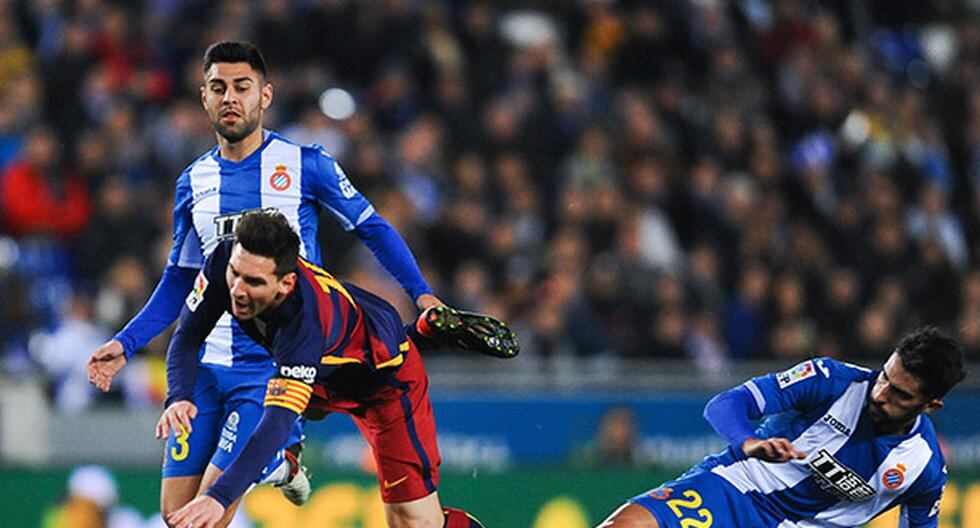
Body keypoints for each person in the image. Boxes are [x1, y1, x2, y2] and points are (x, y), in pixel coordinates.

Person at [86, 41, 514, 527]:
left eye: (242, 87)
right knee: (174, 516)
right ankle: (281, 458)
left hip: (279, 361)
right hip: (213, 362)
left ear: (265, 95)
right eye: (218, 88)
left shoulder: (306, 164)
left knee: (209, 511)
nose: (230, 98)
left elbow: (371, 226)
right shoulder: (193, 181)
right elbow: (181, 280)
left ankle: (281, 450)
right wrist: (127, 342)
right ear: (203, 97)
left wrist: (422, 293)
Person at [163, 211, 486, 528]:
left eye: (254, 282)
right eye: (236, 273)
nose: (237, 290)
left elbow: (278, 420)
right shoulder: (225, 259)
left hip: (386, 385)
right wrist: (178, 395)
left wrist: (217, 497)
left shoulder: (305, 323)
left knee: (415, 523)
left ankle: (423, 334)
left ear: (287, 283)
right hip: (321, 372)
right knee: (289, 399)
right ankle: (279, 460)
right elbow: (187, 337)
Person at [599, 326, 967, 528]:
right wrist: (747, 443)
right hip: (739, 490)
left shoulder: (924, 467)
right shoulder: (831, 380)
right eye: (885, 376)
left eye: (899, 394)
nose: (880, 393)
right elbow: (725, 405)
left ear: (930, 405)